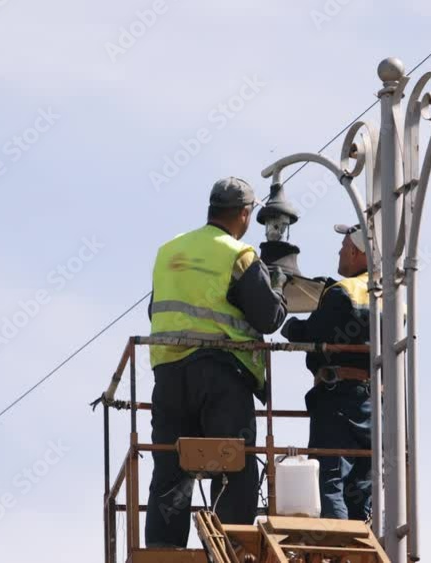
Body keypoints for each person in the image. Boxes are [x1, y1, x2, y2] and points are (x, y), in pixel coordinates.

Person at [145, 177, 288, 547]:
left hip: (169, 374)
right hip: (220, 373)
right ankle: (231, 547)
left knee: (171, 469)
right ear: (244, 214)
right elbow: (268, 318)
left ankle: (163, 550)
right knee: (232, 464)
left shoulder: (169, 251)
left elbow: (155, 310)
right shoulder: (238, 255)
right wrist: (278, 286)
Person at [280, 223, 372, 520]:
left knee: (329, 479)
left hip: (337, 398)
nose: (339, 252)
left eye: (344, 247)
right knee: (362, 486)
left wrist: (289, 326)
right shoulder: (394, 297)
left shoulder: (343, 291)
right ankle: (361, 540)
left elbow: (311, 333)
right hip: (375, 404)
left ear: (357, 252)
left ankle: (337, 543)